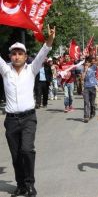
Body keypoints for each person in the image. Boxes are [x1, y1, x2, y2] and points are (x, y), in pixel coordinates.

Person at [0, 26, 55, 197]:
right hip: (11, 120)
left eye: (20, 53)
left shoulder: (32, 69)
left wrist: (50, 38)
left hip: (28, 118)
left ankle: (30, 184)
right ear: (10, 56)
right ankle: (21, 185)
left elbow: (43, 52)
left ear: (25, 56)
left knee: (27, 150)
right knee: (16, 155)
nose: (16, 56)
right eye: (14, 53)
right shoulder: (5, 70)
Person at [82, 57, 98, 123]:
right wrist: (85, 71)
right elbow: (82, 78)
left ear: (90, 63)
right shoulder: (83, 69)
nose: (87, 63)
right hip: (86, 87)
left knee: (92, 103)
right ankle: (86, 116)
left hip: (93, 87)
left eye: (88, 62)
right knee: (86, 102)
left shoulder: (93, 67)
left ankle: (92, 112)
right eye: (86, 62)